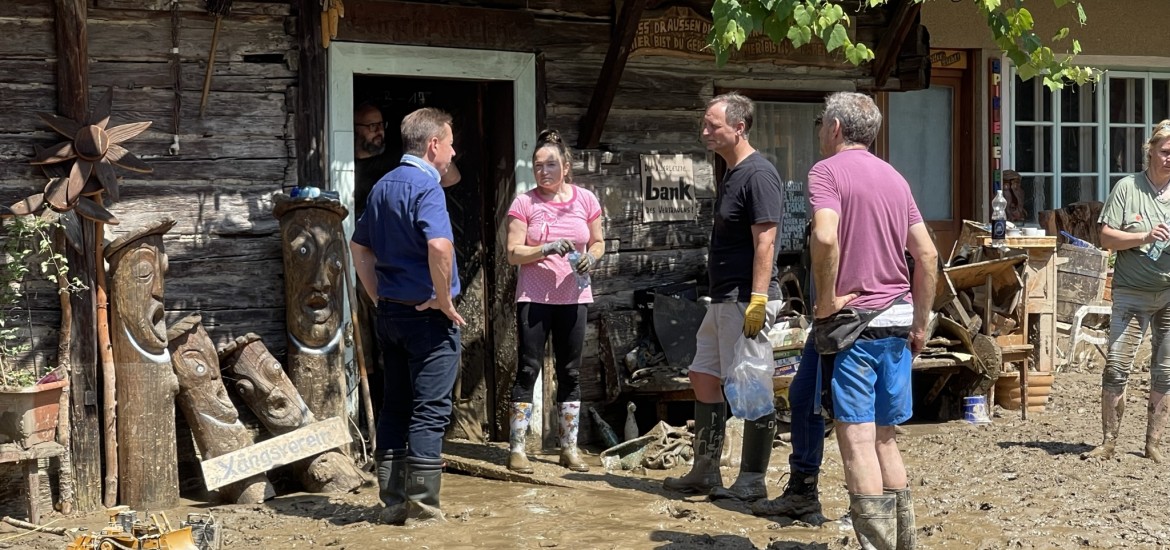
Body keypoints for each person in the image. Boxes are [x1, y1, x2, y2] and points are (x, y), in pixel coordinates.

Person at [806, 92, 937, 550]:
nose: (820, 129)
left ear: (837, 128)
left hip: (855, 324)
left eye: (823, 122)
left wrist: (825, 301)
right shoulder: (895, 178)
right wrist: (920, 323)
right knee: (885, 439)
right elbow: (927, 254)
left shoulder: (827, 172)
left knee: (857, 440)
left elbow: (824, 236)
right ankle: (906, 545)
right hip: (899, 320)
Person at [663, 92, 785, 502]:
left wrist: (757, 299)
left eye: (712, 125)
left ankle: (752, 479)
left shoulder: (758, 174)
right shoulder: (731, 171)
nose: (705, 132)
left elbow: (765, 240)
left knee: (751, 383)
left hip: (744, 298)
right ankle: (706, 470)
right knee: (702, 374)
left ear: (739, 127)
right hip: (722, 297)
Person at [350, 107, 465, 525]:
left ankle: (393, 501)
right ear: (434, 144)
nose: (454, 153)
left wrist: (379, 296)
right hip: (427, 318)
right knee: (430, 411)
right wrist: (444, 299)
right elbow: (440, 247)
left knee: (395, 405)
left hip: (392, 315)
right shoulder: (428, 187)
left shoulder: (383, 185)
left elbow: (358, 247)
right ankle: (422, 508)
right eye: (451, 144)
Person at [502, 130, 605, 473]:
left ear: (566, 166)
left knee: (571, 372)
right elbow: (513, 254)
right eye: (537, 165)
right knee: (529, 368)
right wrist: (544, 248)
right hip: (534, 297)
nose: (543, 171)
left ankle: (569, 448)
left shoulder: (586, 200)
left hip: (574, 296)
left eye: (550, 164)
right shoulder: (524, 203)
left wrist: (592, 256)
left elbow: (599, 240)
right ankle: (517, 448)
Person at [1085, 120, 1170, 464]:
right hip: (1131, 293)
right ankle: (1108, 442)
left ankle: (1154, 444)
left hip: (1168, 295)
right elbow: (1105, 238)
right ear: (1149, 150)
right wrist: (1145, 237)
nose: (1169, 158)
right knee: (1117, 367)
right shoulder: (1127, 188)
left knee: (1165, 371)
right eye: (1164, 151)